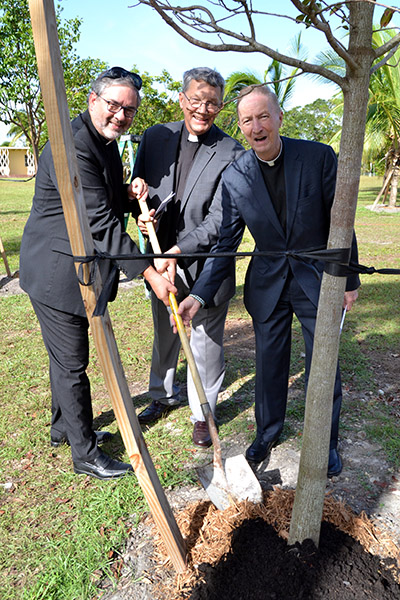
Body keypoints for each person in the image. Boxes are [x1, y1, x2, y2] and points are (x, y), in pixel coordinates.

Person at [176, 85, 360, 476]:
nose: (256, 126)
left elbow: (340, 221)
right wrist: (199, 294)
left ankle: (324, 442)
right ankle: (267, 432)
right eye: (247, 120)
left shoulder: (318, 157)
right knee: (269, 365)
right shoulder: (236, 174)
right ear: (241, 127)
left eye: (263, 116)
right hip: (268, 283)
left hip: (318, 279)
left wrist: (349, 278)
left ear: (279, 118)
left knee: (323, 366)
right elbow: (226, 242)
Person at [19, 67, 177, 479]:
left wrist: (127, 195)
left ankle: (61, 429)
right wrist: (151, 273)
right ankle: (84, 451)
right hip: (56, 272)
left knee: (63, 357)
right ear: (93, 100)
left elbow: (102, 199)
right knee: (72, 363)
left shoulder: (102, 140)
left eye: (129, 110)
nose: (121, 115)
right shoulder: (72, 145)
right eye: (114, 105)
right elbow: (100, 226)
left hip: (68, 266)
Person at [132, 67, 243, 447]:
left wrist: (178, 252)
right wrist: (139, 206)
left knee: (206, 342)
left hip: (205, 266)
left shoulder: (231, 152)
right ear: (182, 99)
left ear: (221, 107)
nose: (202, 108)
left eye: (211, 102)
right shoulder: (154, 136)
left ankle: (203, 411)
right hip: (159, 259)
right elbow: (136, 189)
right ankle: (161, 395)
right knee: (165, 330)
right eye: (195, 100)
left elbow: (220, 221)